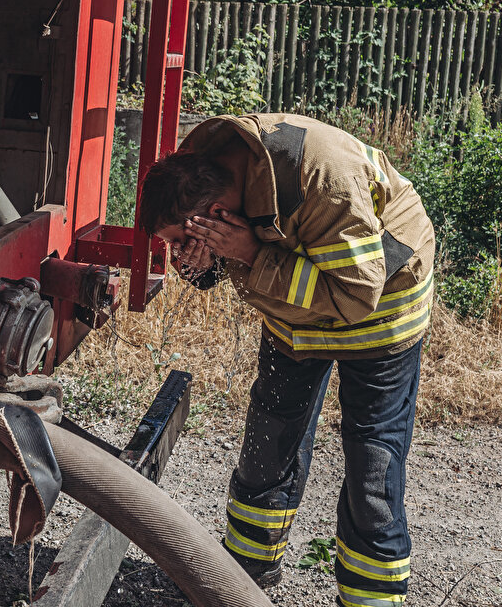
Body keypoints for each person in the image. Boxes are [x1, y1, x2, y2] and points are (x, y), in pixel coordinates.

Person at [138, 113, 434, 607]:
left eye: (179, 242)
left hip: (381, 308)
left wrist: (252, 255)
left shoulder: (323, 180)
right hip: (294, 316)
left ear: (215, 215)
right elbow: (244, 259)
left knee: (372, 463)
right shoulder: (206, 176)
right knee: (268, 442)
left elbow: (355, 296)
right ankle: (243, 578)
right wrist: (209, 261)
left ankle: (372, 598)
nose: (176, 254)